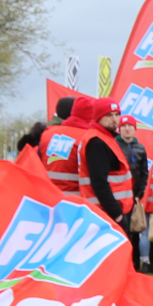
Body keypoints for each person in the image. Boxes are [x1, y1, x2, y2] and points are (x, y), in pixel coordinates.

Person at [44, 97, 133, 228]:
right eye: (109, 115)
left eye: (117, 114)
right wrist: (117, 213)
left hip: (53, 199)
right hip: (98, 207)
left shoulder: (48, 134)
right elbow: (99, 181)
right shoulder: (94, 139)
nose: (114, 119)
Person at [117, 114, 152, 270]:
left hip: (133, 196)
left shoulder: (140, 148)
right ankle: (122, 264)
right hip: (118, 195)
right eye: (124, 126)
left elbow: (144, 172)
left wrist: (140, 192)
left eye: (130, 126)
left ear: (134, 129)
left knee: (135, 231)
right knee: (121, 229)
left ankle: (135, 265)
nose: (127, 129)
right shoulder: (115, 145)